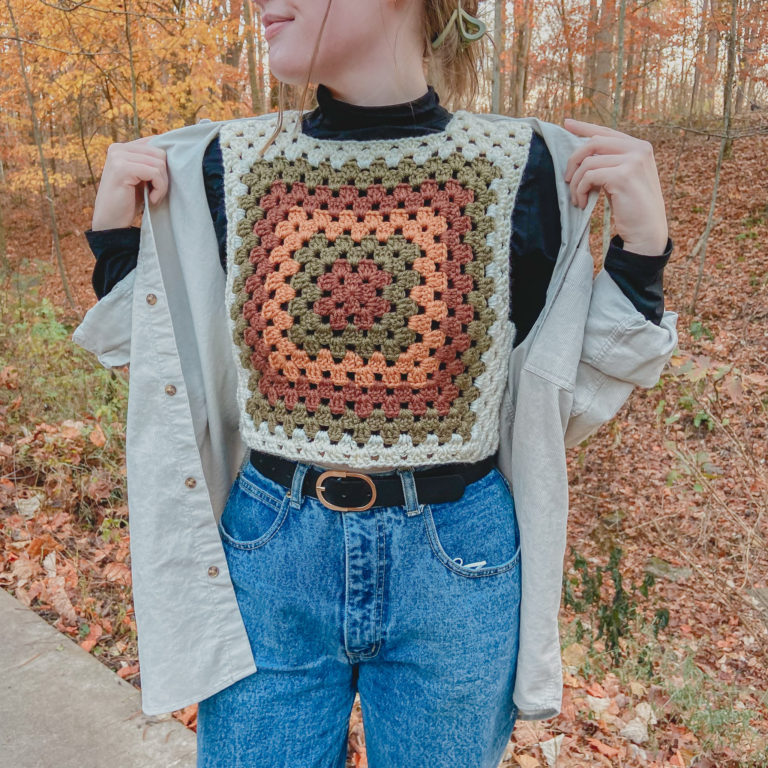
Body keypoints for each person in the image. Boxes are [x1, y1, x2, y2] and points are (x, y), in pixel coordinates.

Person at [74, 1, 678, 766]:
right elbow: (164, 372)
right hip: (270, 554)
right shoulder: (224, 167)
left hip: (457, 563)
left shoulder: (523, 167)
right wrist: (115, 244)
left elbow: (575, 392)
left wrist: (642, 253)